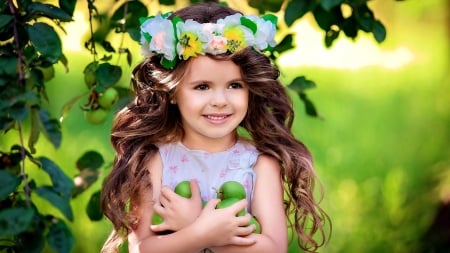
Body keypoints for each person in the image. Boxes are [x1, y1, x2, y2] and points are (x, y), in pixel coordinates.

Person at [100, 2, 330, 253]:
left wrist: (195, 226)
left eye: (234, 85)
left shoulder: (258, 165)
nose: (220, 101)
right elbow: (141, 248)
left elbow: (274, 248)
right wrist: (201, 233)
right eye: (202, 87)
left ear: (250, 89)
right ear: (173, 92)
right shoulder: (156, 161)